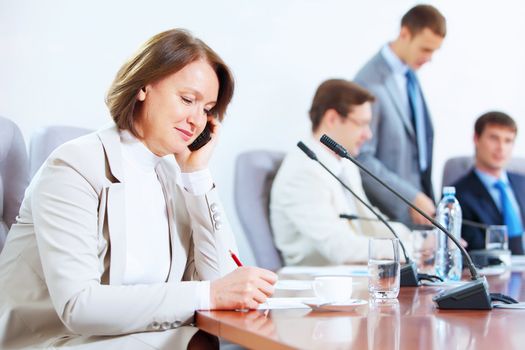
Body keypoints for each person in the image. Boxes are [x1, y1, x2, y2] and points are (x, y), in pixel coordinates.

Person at [0, 29, 276, 349]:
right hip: (59, 340)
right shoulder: (74, 165)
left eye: (207, 109)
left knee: (206, 341)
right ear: (144, 86)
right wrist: (209, 293)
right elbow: (79, 306)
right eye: (188, 99)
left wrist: (196, 174)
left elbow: (222, 278)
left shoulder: (173, 179)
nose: (196, 119)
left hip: (133, 338)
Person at [270, 79, 411, 266]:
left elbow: (370, 223)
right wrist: (405, 248)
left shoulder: (344, 163)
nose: (368, 134)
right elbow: (341, 249)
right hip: (318, 283)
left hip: (351, 275)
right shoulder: (303, 172)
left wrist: (416, 239)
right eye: (362, 124)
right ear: (332, 119)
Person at [354, 4, 446, 226]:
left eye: (434, 51)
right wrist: (409, 198)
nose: (429, 58)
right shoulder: (369, 82)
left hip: (421, 207)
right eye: (425, 49)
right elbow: (361, 158)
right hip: (392, 214)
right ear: (404, 33)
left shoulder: (409, 75)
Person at [453, 112, 525, 254]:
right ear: (476, 138)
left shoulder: (522, 182)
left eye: (508, 140)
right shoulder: (459, 195)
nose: (501, 148)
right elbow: (472, 250)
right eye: (494, 138)